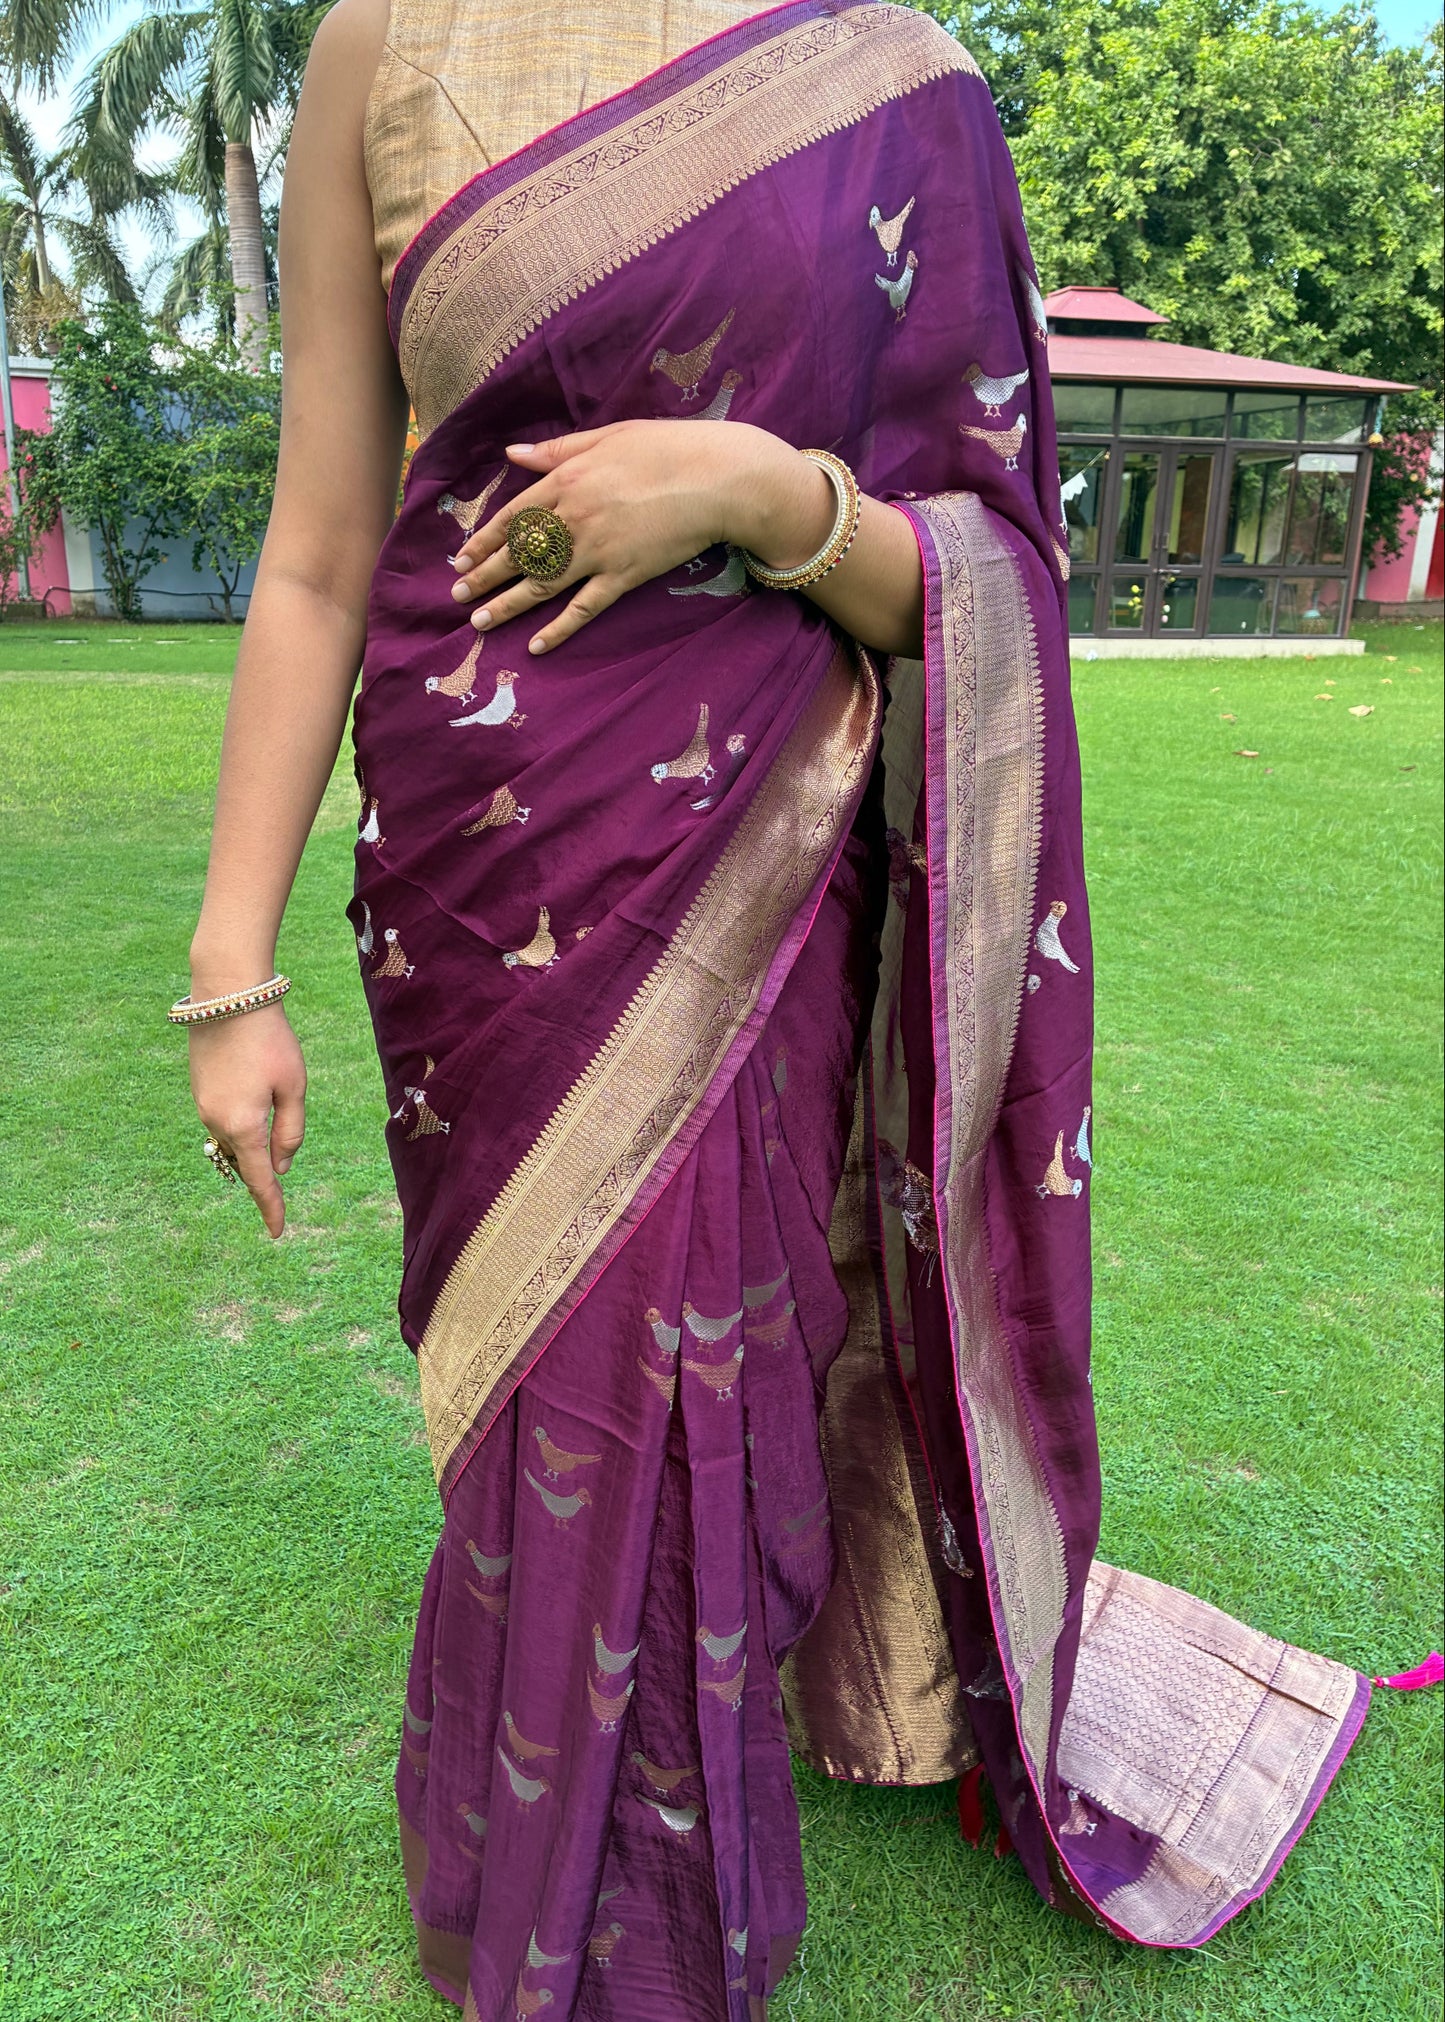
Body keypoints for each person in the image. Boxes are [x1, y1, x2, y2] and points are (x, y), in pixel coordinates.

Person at [178, 4, 1369, 2016]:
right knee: (533, 1389)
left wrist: (761, 494)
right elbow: (314, 555)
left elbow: (989, 581)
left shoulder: (894, 82)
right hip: (483, 879)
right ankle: (533, 1842)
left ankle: (650, 1916)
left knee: (709, 1363)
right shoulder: (384, 40)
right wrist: (230, 970)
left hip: (766, 858)